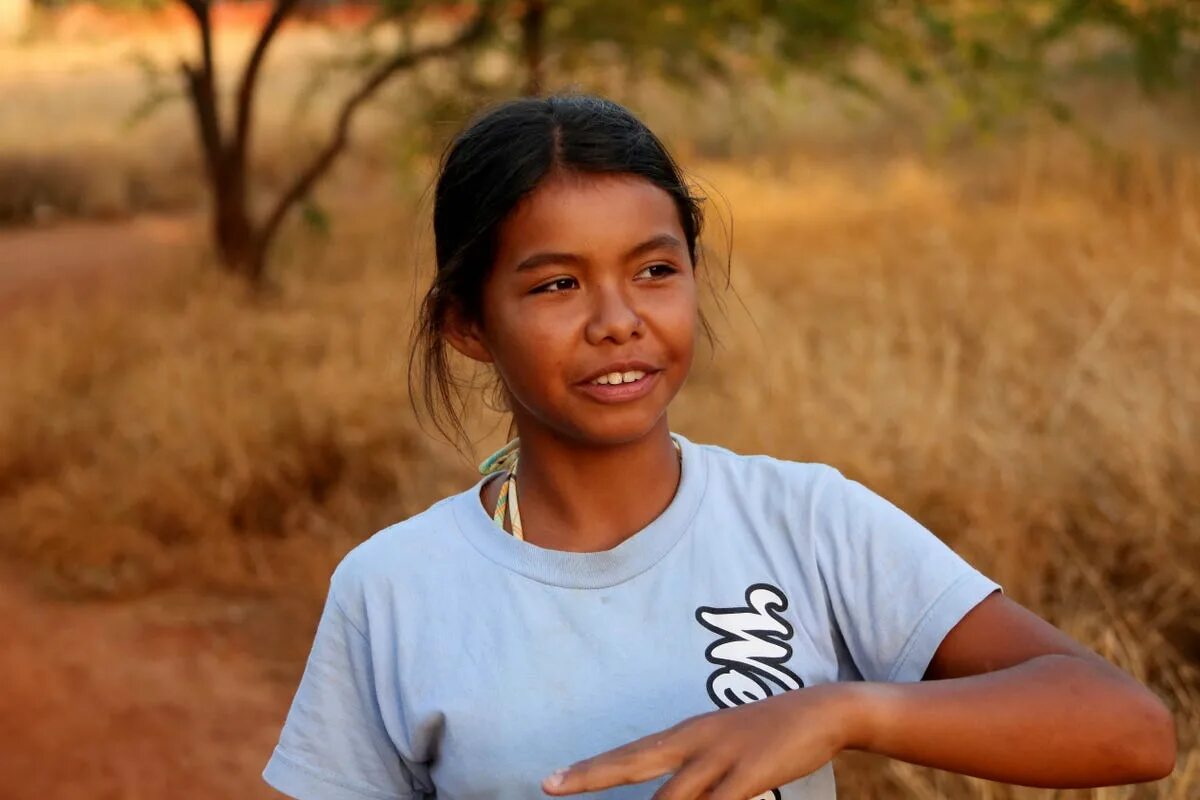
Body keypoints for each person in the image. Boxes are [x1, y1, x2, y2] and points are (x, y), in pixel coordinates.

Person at [261, 94, 1176, 800]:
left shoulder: (806, 522)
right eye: (556, 285)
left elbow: (1130, 729)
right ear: (468, 323)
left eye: (655, 270)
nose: (618, 321)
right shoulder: (395, 588)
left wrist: (841, 711)